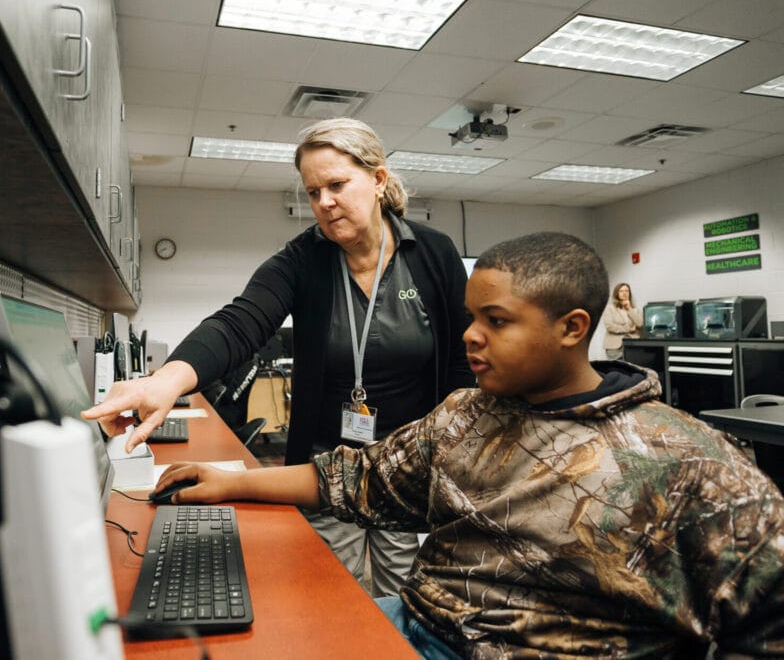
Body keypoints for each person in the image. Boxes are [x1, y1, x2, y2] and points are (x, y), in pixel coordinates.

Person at [151, 232, 784, 658]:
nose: (470, 337)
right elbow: (356, 478)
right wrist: (226, 479)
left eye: (496, 321)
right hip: (417, 624)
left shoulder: (693, 465)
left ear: (573, 329)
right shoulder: (466, 416)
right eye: (470, 317)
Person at [83, 117, 474, 597]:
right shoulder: (304, 258)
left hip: (411, 464)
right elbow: (239, 322)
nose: (324, 204)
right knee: (331, 595)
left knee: (410, 595)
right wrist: (168, 379)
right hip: (325, 463)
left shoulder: (433, 253)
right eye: (313, 192)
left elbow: (464, 360)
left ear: (377, 180)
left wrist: (454, 451)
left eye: (336, 185)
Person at [601, 282, 642, 359]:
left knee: (631, 369)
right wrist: (629, 329)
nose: (624, 293)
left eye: (627, 291)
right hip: (614, 347)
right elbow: (610, 326)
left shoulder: (635, 309)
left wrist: (629, 308)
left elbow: (640, 324)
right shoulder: (610, 308)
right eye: (621, 291)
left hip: (633, 346)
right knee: (616, 369)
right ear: (617, 293)